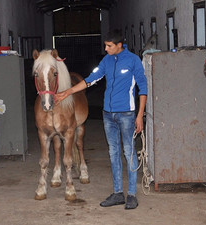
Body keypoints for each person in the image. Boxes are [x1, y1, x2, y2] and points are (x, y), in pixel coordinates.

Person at [54, 29, 147, 210]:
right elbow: (91, 79)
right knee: (113, 153)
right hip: (108, 114)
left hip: (127, 113)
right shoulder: (106, 60)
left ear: (119, 45)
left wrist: (140, 115)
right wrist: (68, 92)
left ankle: (132, 195)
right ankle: (118, 193)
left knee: (128, 153)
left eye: (109, 46)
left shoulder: (133, 60)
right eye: (105, 45)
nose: (106, 48)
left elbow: (143, 88)